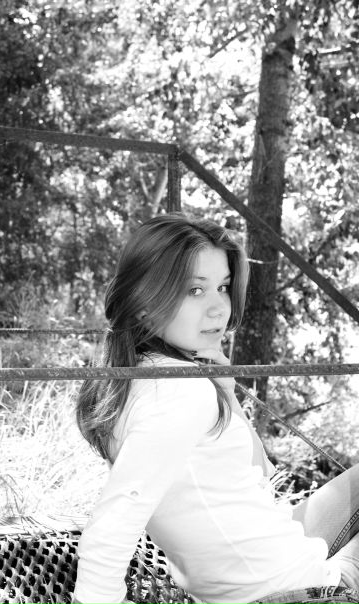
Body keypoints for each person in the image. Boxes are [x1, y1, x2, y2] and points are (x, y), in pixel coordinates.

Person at [73, 213, 359, 604]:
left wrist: (226, 391)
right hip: (296, 590)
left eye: (222, 287)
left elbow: (258, 476)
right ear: (143, 302)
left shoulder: (137, 378)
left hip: (271, 560)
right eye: (195, 290)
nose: (219, 309)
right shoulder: (181, 391)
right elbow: (114, 522)